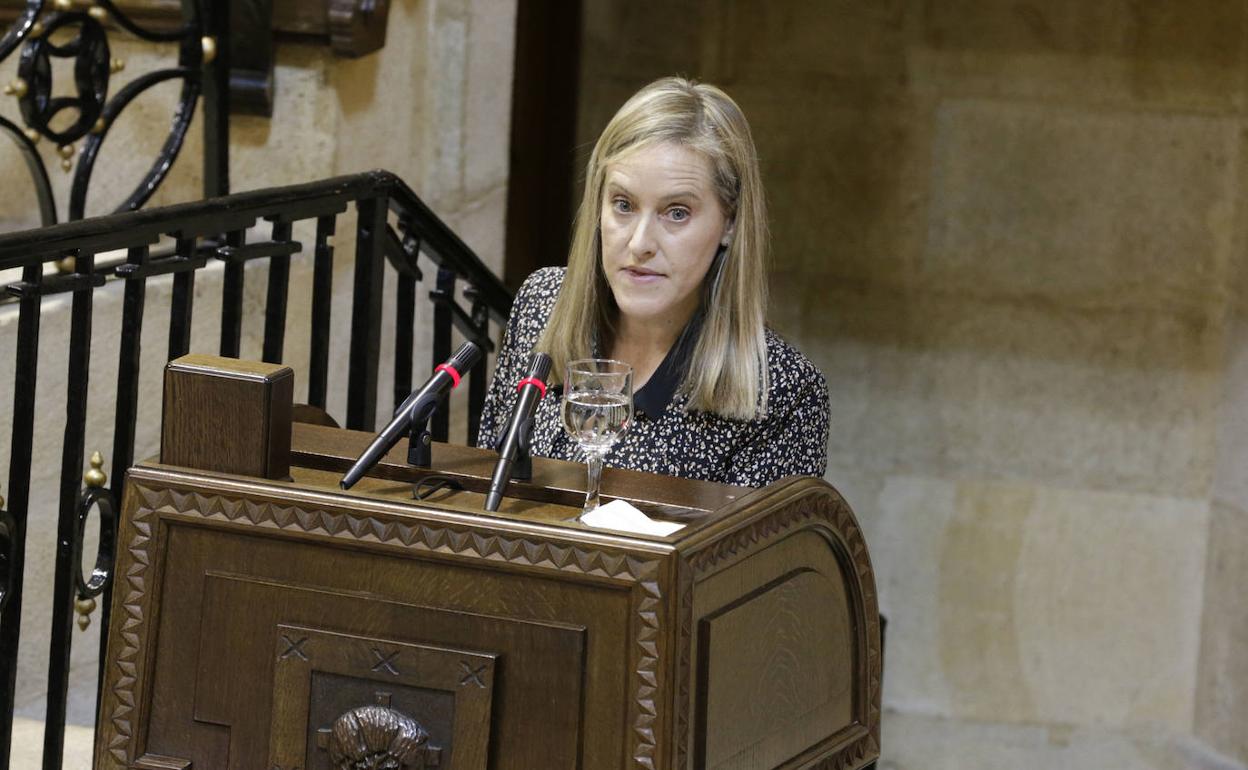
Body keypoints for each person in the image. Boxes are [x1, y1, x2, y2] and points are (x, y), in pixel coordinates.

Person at [477, 76, 829, 488]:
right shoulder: (543, 303)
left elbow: (760, 555)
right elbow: (487, 491)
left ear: (730, 223)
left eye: (676, 212)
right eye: (623, 205)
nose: (640, 243)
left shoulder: (785, 394)